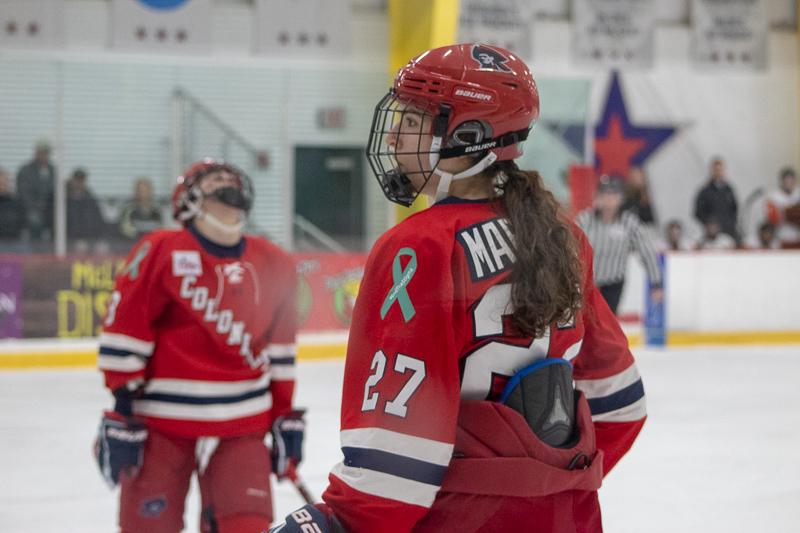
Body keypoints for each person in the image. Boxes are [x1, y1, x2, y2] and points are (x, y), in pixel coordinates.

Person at [273, 43, 646, 533]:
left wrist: (334, 521)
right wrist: (539, 484)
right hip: (569, 517)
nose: (397, 136)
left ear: (468, 136)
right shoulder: (563, 234)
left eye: (412, 122)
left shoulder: (419, 246)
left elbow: (394, 464)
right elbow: (620, 405)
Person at [94, 159, 302, 533]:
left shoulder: (276, 262)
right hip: (162, 425)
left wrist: (283, 416)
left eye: (232, 177)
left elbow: (282, 353)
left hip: (244, 425)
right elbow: (126, 325)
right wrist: (123, 409)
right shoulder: (160, 249)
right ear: (187, 201)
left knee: (245, 527)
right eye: (212, 179)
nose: (227, 181)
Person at [577, 175, 663, 315]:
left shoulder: (629, 222)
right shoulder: (585, 219)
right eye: (605, 194)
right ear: (598, 196)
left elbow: (646, 252)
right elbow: (568, 246)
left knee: (606, 324)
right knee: (584, 322)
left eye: (614, 195)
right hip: (586, 283)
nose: (609, 199)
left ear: (621, 198)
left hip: (613, 283)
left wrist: (656, 283)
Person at [16, 139, 56, 242]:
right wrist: (35, 208)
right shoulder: (26, 170)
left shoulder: (53, 170)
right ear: (36, 152)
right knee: (35, 220)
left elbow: (56, 192)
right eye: (41, 152)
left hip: (50, 210)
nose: (44, 155)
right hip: (31, 210)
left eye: (46, 152)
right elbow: (23, 193)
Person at [693, 157, 739, 243]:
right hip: (711, 235)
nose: (718, 172)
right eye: (716, 169)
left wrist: (731, 223)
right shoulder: (705, 191)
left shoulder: (729, 189)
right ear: (711, 171)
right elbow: (698, 212)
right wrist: (709, 225)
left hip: (728, 231)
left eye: (720, 170)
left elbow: (734, 209)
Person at [66, 168, 108, 253]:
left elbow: (98, 219)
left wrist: (99, 237)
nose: (79, 183)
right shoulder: (64, 198)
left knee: (102, 248)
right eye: (77, 180)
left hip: (91, 237)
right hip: (71, 239)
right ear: (72, 180)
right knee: (81, 247)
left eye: (82, 180)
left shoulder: (90, 198)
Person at [765, 167, 800, 248]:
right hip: (781, 236)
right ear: (782, 181)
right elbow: (772, 219)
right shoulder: (774, 196)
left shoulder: (798, 193)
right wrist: (788, 214)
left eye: (791, 180)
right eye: (787, 180)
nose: (789, 183)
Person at [0, 168, 26, 247]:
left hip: (15, 240)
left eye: (5, 181)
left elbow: (23, 219)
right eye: (1, 182)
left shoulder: (16, 201)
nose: (3, 184)